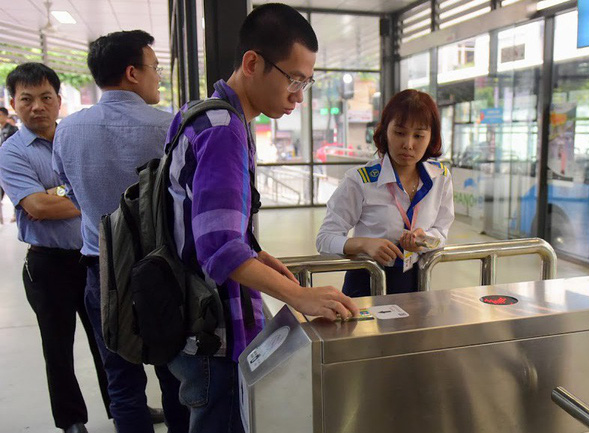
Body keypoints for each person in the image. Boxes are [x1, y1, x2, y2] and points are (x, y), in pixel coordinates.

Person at [164, 4, 359, 432]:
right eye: (293, 79)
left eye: (306, 82)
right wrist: (299, 296)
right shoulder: (223, 129)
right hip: (214, 333)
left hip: (188, 319)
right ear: (252, 63)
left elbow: (201, 225)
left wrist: (260, 256)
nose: (298, 95)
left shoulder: (198, 113)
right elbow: (217, 250)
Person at [52, 31, 189, 433]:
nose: (158, 77)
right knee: (174, 374)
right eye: (154, 68)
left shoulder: (68, 130)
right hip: (163, 271)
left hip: (102, 271)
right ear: (132, 72)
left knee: (122, 382)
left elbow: (71, 191)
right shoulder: (171, 127)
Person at [0, 63, 111, 433]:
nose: (37, 107)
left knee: (107, 340)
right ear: (13, 103)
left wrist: (57, 190)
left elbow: (98, 185)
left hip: (92, 258)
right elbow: (37, 207)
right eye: (26, 99)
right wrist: (79, 191)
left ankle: (124, 406)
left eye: (45, 97)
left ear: (58, 101)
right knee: (58, 348)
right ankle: (72, 421)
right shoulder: (11, 152)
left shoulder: (76, 137)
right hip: (47, 265)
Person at [316, 89, 455, 297]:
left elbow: (441, 234)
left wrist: (424, 239)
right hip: (366, 281)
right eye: (399, 133)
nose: (408, 144)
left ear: (431, 138)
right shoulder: (360, 180)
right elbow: (325, 239)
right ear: (385, 131)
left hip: (416, 281)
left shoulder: (440, 177)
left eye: (418, 135)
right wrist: (364, 244)